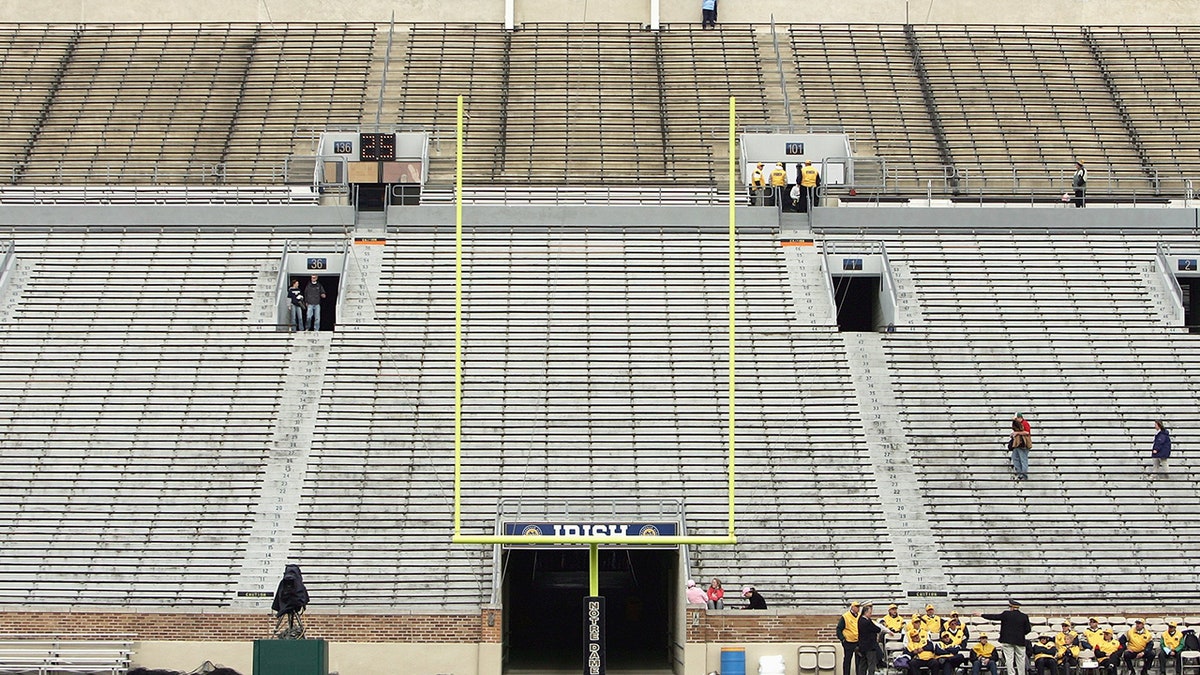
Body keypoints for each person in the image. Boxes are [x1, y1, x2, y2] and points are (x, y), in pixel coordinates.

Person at [980, 599, 1032, 675]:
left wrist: (982, 615)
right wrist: (1020, 634)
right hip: (1020, 641)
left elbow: (994, 617)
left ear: (1011, 607)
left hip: (1007, 641)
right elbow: (1028, 629)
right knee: (1021, 659)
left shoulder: (1006, 614)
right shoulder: (1024, 616)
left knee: (1009, 659)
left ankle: (1011, 674)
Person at [857, 603, 883, 675]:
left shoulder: (859, 620)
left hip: (862, 646)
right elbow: (876, 629)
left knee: (863, 664)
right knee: (871, 664)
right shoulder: (867, 621)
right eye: (870, 613)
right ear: (865, 612)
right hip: (870, 646)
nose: (871, 614)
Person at [838, 601, 863, 675]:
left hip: (858, 641)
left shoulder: (860, 616)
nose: (858, 608)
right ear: (852, 607)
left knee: (859, 660)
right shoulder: (845, 616)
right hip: (848, 641)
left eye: (858, 607)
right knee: (847, 660)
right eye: (856, 607)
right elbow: (839, 629)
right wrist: (842, 639)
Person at [1009, 414, 1032, 480]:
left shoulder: (1025, 423)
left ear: (1020, 418)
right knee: (1015, 458)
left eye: (1016, 419)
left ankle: (1024, 475)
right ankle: (1019, 473)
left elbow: (1027, 432)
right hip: (1017, 443)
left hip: (1023, 443)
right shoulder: (1019, 424)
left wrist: (1017, 433)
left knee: (1023, 459)